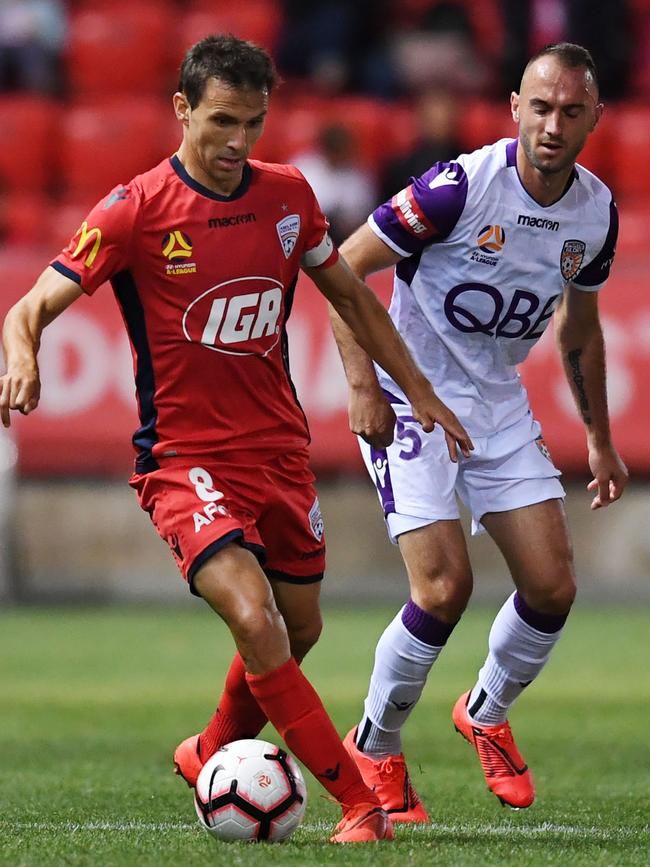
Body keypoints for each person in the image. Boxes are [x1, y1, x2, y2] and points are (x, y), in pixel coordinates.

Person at [0, 35, 473, 844]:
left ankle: (211, 748)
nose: (235, 142)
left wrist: (415, 389)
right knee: (256, 622)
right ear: (182, 110)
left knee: (300, 630)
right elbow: (28, 307)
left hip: (279, 453)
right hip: (185, 461)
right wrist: (22, 354)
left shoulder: (289, 196)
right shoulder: (135, 211)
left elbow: (352, 299)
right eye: (221, 120)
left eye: (252, 123)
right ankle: (363, 802)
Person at [329, 42, 627, 821]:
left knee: (554, 585)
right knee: (444, 586)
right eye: (540, 107)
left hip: (493, 403)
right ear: (513, 110)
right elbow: (342, 269)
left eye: (570, 110)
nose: (552, 124)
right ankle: (376, 742)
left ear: (595, 117)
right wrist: (364, 386)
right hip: (408, 395)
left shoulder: (597, 213)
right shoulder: (459, 188)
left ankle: (485, 710)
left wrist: (598, 436)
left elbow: (580, 331)